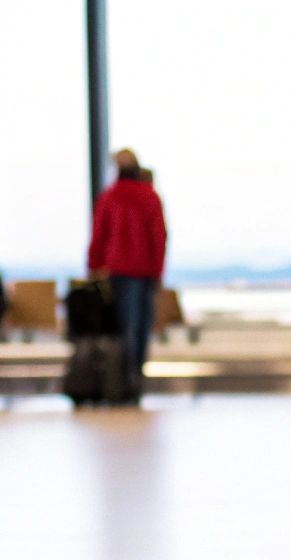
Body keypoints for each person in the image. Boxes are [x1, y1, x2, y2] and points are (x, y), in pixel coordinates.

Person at [87, 149, 168, 397]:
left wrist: (93, 265)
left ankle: (124, 379)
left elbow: (99, 235)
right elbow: (159, 237)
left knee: (125, 328)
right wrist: (157, 271)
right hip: (145, 271)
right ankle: (135, 378)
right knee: (141, 327)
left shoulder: (110, 197)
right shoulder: (149, 196)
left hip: (119, 271)